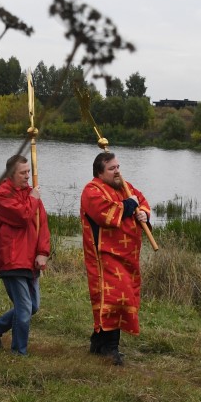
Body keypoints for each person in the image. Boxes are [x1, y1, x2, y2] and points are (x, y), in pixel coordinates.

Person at [81, 151, 150, 365]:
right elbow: (107, 215)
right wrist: (130, 205)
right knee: (114, 298)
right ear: (100, 172)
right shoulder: (91, 191)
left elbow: (142, 201)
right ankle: (111, 348)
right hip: (104, 256)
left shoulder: (125, 187)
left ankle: (98, 343)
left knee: (121, 297)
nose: (117, 171)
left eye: (118, 166)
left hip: (127, 258)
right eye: (112, 168)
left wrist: (144, 214)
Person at [0, 154, 50, 356]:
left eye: (28, 172)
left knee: (33, 307)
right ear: (11, 174)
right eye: (23, 173)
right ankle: (18, 352)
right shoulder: (2, 195)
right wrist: (33, 198)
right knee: (24, 306)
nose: (27, 176)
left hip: (31, 259)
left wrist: (42, 252)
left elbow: (42, 226)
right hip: (12, 258)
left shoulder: (32, 195)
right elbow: (22, 217)